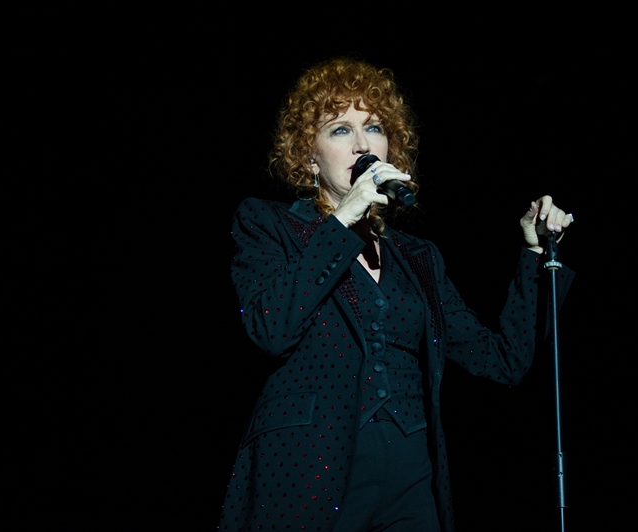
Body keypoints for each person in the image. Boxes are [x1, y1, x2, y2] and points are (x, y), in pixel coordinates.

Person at [216, 56, 575, 532]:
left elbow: (502, 360)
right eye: (341, 129)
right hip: (309, 471)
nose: (363, 144)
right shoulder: (270, 224)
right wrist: (343, 220)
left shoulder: (418, 256)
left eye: (374, 127)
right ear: (309, 156)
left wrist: (534, 254)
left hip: (410, 476)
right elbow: (271, 327)